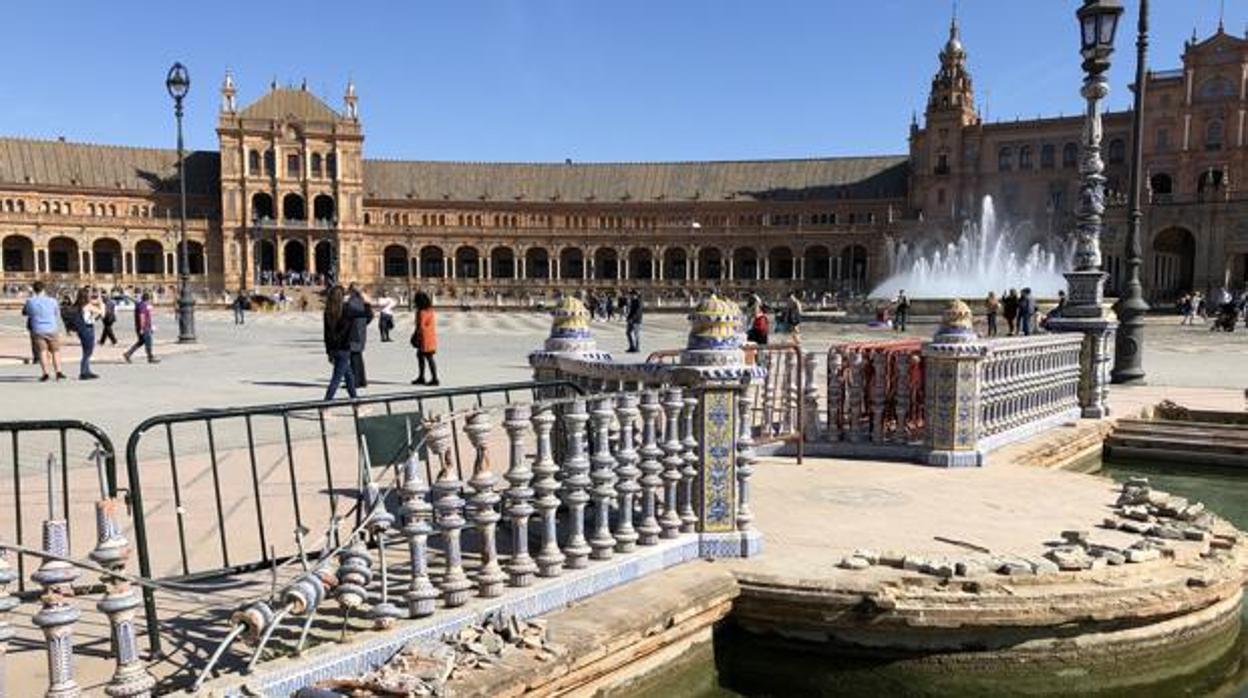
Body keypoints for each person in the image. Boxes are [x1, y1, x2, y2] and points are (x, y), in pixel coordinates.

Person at [21, 280, 66, 381]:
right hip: (51, 328)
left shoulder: (30, 301)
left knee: (42, 351)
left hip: (38, 329)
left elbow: (25, 312)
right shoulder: (52, 301)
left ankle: (45, 373)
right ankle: (58, 371)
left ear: (34, 290)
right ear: (44, 289)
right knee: (55, 351)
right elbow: (56, 313)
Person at [322, 285, 359, 401]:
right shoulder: (347, 310)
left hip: (333, 348)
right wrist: (363, 298)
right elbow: (366, 313)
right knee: (336, 378)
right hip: (344, 348)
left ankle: (356, 403)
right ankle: (326, 404)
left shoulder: (328, 311)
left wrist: (328, 351)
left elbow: (326, 334)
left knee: (349, 376)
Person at [346, 283, 374, 387]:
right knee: (358, 356)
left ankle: (356, 380)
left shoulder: (351, 302)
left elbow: (347, 316)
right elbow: (370, 316)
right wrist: (363, 324)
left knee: (354, 357)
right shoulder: (363, 302)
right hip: (361, 331)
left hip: (353, 332)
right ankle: (362, 380)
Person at [72, 287, 104, 380]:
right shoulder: (88, 306)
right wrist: (101, 302)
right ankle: (83, 372)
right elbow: (102, 313)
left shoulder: (79, 305)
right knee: (88, 352)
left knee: (85, 351)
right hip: (88, 329)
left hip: (82, 329)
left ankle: (87, 370)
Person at [411, 291, 440, 385]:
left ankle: (433, 378)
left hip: (424, 337)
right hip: (430, 336)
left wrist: (415, 336)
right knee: (423, 356)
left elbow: (420, 326)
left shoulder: (421, 312)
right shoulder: (430, 310)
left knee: (427, 357)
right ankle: (424, 377)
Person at [123, 292, 159, 364]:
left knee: (141, 342)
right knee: (148, 342)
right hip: (144, 327)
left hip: (145, 327)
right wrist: (142, 328)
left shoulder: (142, 304)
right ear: (148, 299)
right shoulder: (142, 305)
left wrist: (151, 326)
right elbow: (141, 316)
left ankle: (128, 354)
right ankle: (150, 357)